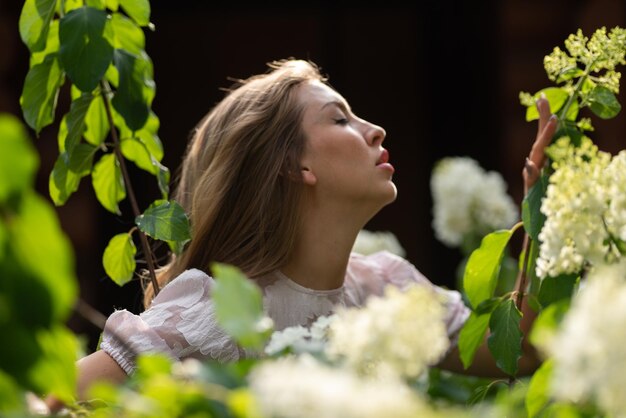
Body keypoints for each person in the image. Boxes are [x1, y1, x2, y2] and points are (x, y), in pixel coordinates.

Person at [65, 59, 557, 401]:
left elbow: (517, 352)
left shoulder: (387, 288)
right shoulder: (220, 310)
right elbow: (60, 398)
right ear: (294, 165)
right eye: (340, 119)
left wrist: (541, 206)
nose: (375, 130)